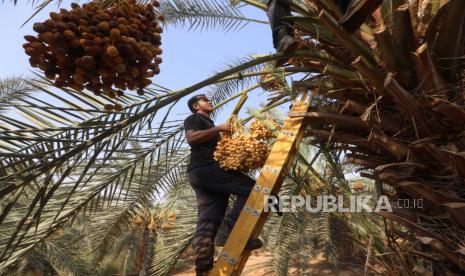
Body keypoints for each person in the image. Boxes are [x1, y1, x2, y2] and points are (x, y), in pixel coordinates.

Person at [184, 94, 263, 276]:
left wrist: (224, 137)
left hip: (203, 174)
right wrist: (219, 128)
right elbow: (192, 138)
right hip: (205, 169)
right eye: (204, 100)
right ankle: (231, 229)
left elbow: (220, 151)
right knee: (254, 189)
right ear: (196, 106)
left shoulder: (211, 126)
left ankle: (203, 270)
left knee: (208, 223)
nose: (209, 101)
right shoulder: (194, 118)